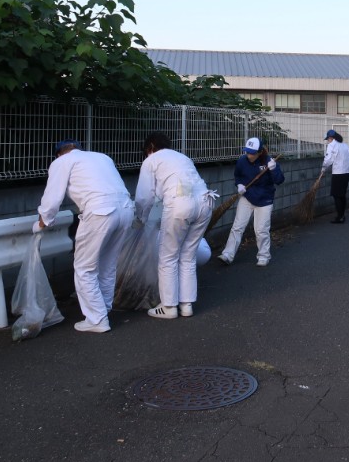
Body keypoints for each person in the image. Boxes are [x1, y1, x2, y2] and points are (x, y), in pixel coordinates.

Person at [35, 139, 134, 334]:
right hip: (126, 209)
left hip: (100, 212)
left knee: (84, 268)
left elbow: (52, 197)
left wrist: (43, 221)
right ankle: (103, 310)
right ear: (78, 149)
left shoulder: (61, 162)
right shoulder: (102, 157)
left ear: (58, 154)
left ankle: (96, 319)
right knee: (107, 265)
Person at [135, 132, 218, 320]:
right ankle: (186, 305)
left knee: (168, 257)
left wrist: (140, 219)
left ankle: (169, 307)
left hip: (180, 205)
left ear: (150, 148)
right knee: (188, 256)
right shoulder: (182, 157)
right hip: (205, 202)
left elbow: (144, 197)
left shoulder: (151, 160)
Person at [219, 137, 285, 266]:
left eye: (252, 153)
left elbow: (280, 180)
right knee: (237, 227)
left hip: (265, 200)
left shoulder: (269, 162)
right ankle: (228, 254)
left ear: (260, 152)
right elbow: (238, 176)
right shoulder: (242, 161)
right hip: (247, 197)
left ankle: (264, 256)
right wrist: (239, 185)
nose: (248, 155)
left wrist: (274, 169)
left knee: (261, 230)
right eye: (247, 152)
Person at [321, 129, 349, 223]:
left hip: (338, 173)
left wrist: (323, 169)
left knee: (336, 195)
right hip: (346, 172)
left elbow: (328, 160)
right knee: (342, 195)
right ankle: (342, 215)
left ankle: (340, 217)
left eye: (328, 139)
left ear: (331, 138)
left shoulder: (331, 145)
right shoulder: (345, 145)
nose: (327, 141)